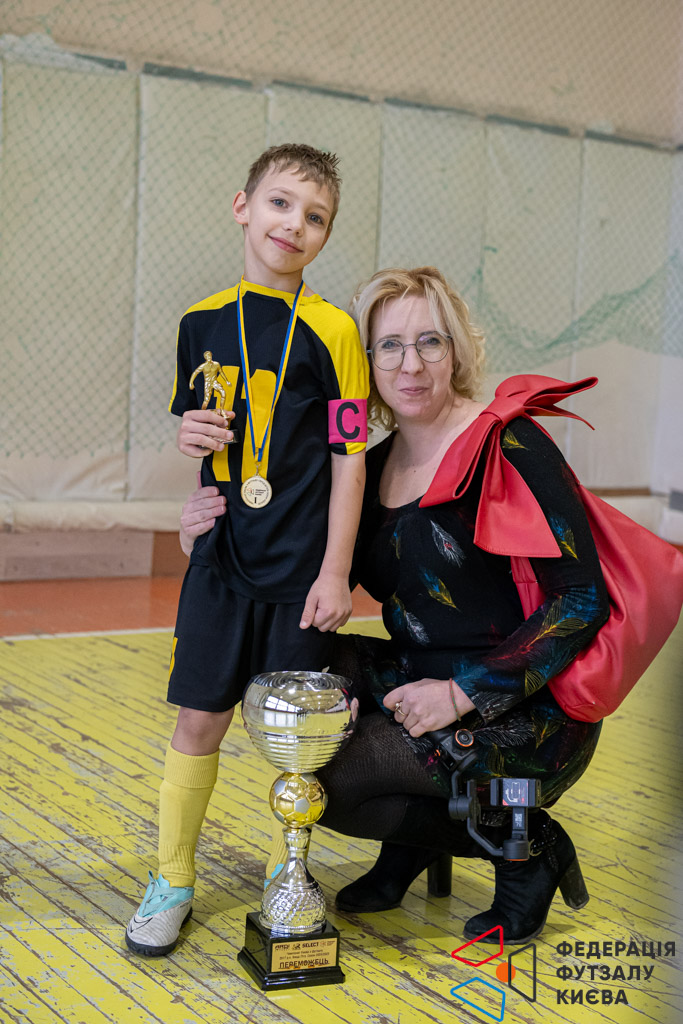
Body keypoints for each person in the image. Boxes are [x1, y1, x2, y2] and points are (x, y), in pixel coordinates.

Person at [177, 265, 610, 945]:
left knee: (337, 779)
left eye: (429, 342)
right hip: (417, 678)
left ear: (456, 351)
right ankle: (414, 844)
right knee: (301, 689)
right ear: (366, 363)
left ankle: (527, 847)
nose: (410, 365)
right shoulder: (370, 467)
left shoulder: (509, 444)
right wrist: (200, 528)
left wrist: (461, 693)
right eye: (389, 346)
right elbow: (299, 564)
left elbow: (582, 599)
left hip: (522, 705)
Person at [125, 144, 369, 957]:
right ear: (243, 207)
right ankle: (172, 878)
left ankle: (283, 875)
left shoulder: (334, 331)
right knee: (199, 719)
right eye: (279, 204)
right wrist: (189, 461)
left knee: (289, 733)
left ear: (325, 235)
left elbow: (349, 458)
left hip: (302, 570)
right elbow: (204, 436)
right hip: (221, 561)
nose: (293, 225)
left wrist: (335, 571)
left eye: (314, 216)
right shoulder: (200, 323)